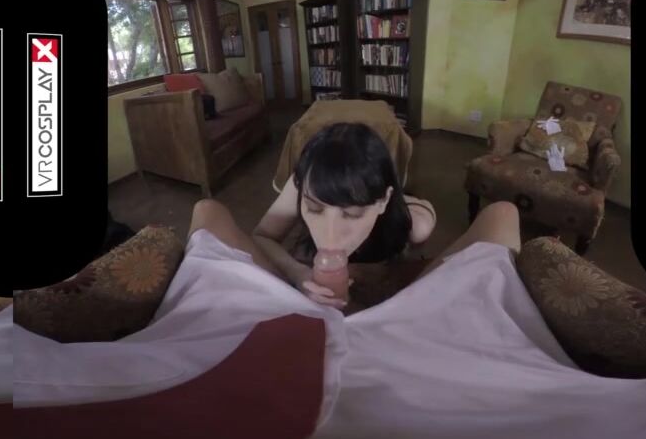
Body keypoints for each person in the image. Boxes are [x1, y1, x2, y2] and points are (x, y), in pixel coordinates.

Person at [188, 122, 520, 310]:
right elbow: (262, 236)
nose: (329, 236)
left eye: (352, 213)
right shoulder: (304, 183)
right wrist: (295, 271)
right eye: (315, 209)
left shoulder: (413, 222)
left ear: (383, 201)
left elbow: (415, 246)